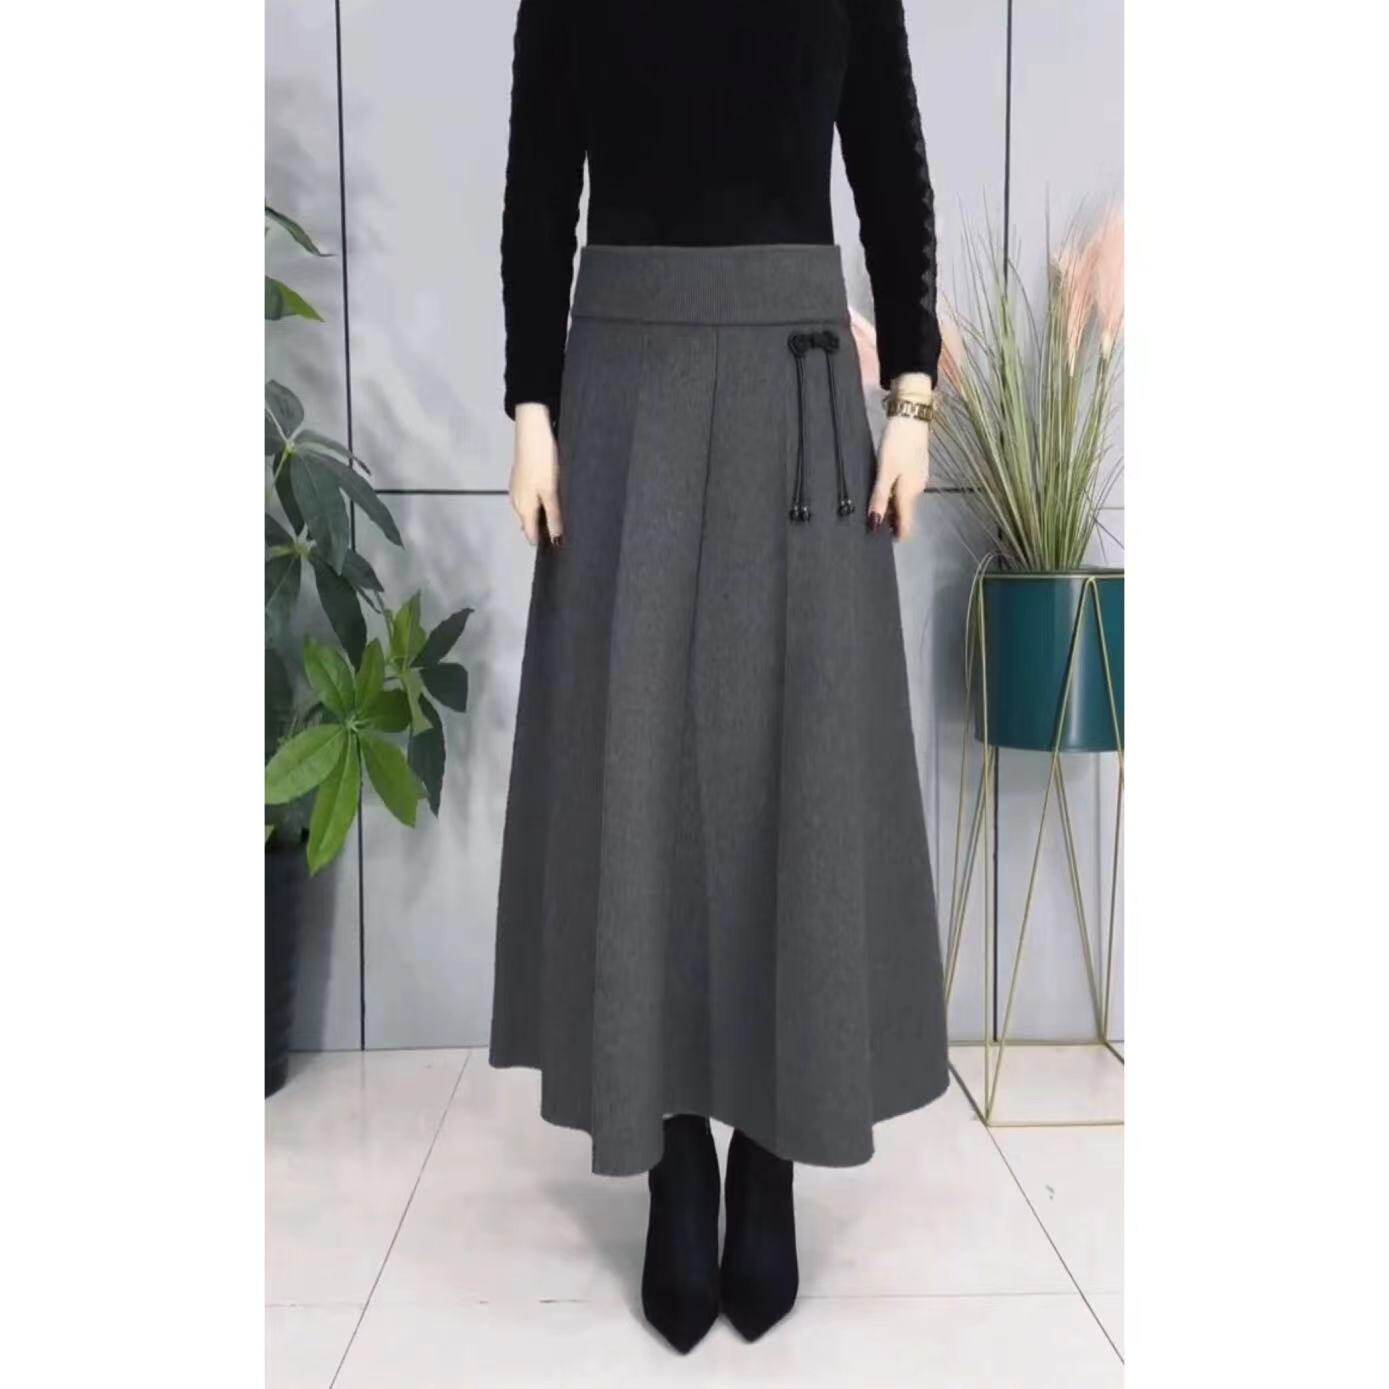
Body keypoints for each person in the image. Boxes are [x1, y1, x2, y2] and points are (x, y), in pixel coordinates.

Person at [489, 0, 949, 1353]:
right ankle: (674, 1150)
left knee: (786, 773)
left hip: (794, 392)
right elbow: (539, 180)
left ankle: (771, 1151)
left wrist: (911, 396)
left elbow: (888, 160)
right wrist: (530, 409)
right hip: (621, 384)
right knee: (639, 771)